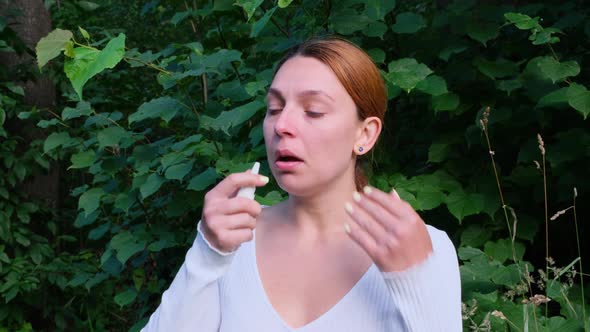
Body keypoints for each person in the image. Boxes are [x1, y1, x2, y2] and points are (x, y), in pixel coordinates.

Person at [142, 38, 462, 331]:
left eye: (313, 111)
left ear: (364, 134)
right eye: (274, 109)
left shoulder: (420, 248)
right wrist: (208, 252)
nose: (282, 125)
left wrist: (414, 278)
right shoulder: (234, 239)